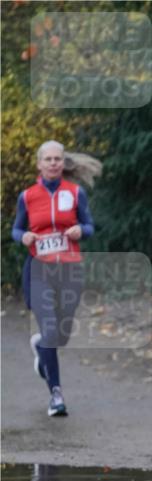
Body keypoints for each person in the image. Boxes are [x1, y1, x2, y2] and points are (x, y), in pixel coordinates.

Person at [12, 141, 101, 417]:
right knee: (50, 329)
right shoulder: (27, 196)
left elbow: (90, 227)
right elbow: (16, 229)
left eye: (57, 159)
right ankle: (56, 395)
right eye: (48, 159)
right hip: (39, 269)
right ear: (39, 164)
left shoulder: (76, 193)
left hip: (69, 268)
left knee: (60, 335)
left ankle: (41, 349)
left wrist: (79, 230)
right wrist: (24, 236)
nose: (53, 163)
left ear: (63, 163)